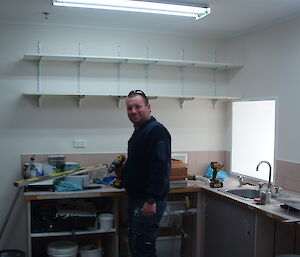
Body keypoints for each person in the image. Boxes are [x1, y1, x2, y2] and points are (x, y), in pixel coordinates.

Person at [122, 89, 171, 257]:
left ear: (148, 107)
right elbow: (141, 163)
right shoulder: (141, 130)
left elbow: (160, 168)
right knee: (136, 245)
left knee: (143, 249)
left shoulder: (156, 132)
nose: (133, 111)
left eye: (137, 106)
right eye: (129, 108)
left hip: (147, 202)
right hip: (137, 199)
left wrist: (151, 200)